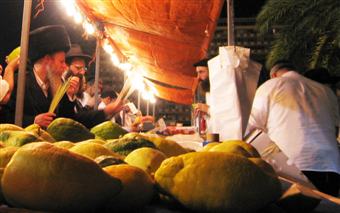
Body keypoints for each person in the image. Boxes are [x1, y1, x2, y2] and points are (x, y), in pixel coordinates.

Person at [1, 25, 123, 128]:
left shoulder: (57, 88)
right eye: (62, 61)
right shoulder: (19, 83)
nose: (65, 66)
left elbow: (71, 120)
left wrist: (105, 112)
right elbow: (5, 119)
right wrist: (33, 121)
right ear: (47, 59)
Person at [248, 60, 340, 196]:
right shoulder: (325, 91)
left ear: (273, 75)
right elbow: (335, 129)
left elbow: (253, 127)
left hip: (293, 165)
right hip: (330, 164)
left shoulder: (270, 86)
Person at [193, 58, 212, 133]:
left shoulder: (221, 89)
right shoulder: (208, 92)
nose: (198, 77)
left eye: (201, 72)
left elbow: (230, 115)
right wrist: (206, 114)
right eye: (197, 73)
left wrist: (208, 109)